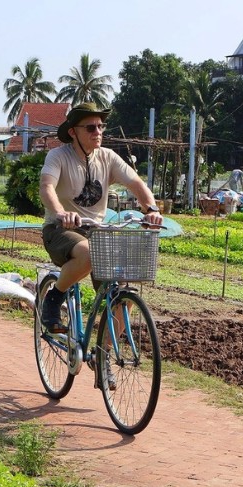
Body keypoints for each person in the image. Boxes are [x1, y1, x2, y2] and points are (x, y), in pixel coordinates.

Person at [39, 103, 163, 335]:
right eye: (90, 128)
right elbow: (47, 187)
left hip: (97, 232)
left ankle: (103, 353)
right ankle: (55, 297)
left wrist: (152, 209)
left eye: (100, 126)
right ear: (73, 132)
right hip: (60, 229)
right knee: (88, 254)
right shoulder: (58, 156)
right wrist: (60, 212)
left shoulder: (108, 157)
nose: (98, 132)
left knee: (122, 292)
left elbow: (136, 183)